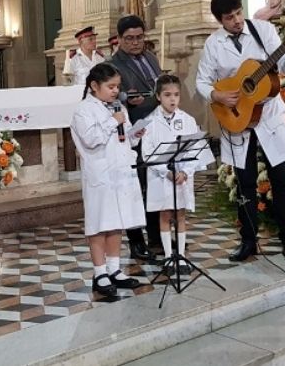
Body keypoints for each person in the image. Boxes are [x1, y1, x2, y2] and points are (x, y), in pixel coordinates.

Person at [196, 0, 285, 264]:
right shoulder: (213, 43)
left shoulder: (264, 31)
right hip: (236, 119)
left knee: (281, 178)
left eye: (238, 13)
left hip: (268, 117)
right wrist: (216, 95)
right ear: (220, 20)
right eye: (229, 18)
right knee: (245, 184)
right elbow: (202, 81)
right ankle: (248, 241)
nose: (237, 21)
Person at [70, 63, 146, 297]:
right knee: (99, 223)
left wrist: (135, 134)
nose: (115, 91)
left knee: (116, 221)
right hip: (100, 174)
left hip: (121, 171)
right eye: (110, 86)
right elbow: (92, 139)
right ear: (94, 86)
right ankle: (99, 272)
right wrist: (114, 120)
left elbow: (126, 139)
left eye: (117, 87)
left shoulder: (118, 106)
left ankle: (114, 269)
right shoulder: (84, 110)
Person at [142, 74, 215, 274]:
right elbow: (147, 153)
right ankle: (167, 257)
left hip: (182, 176)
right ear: (158, 97)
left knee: (180, 214)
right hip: (161, 177)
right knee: (164, 214)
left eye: (176, 95)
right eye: (167, 95)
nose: (172, 99)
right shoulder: (149, 122)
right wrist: (165, 171)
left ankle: (181, 256)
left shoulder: (188, 120)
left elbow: (195, 149)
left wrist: (185, 170)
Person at [111, 15, 163, 260]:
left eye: (139, 37)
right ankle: (135, 241)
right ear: (119, 39)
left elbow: (159, 86)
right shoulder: (114, 64)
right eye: (129, 38)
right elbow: (111, 93)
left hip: (157, 127)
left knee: (154, 183)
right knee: (135, 187)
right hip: (134, 130)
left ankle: (156, 237)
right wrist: (125, 98)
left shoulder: (151, 57)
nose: (135, 43)